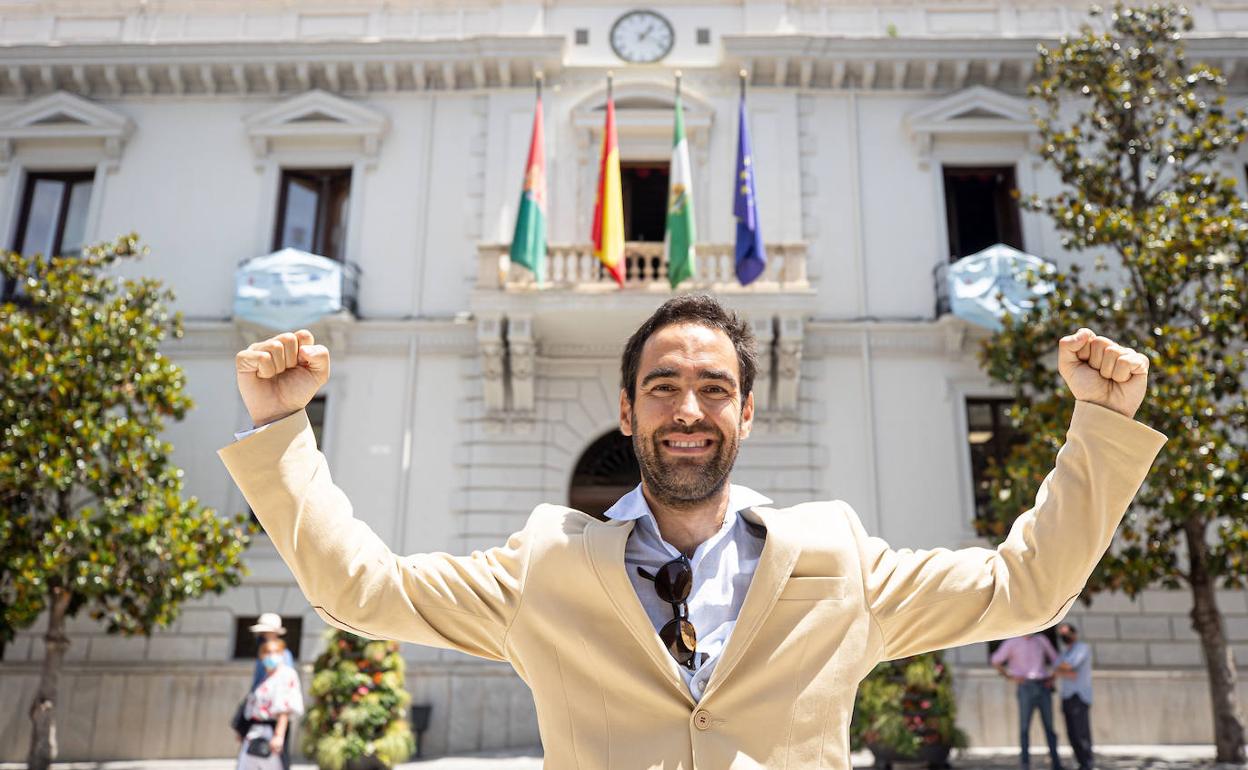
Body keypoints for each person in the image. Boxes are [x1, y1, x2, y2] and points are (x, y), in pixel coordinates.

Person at [220, 295, 1167, 769]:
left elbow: (1025, 589)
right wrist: (280, 434)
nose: (688, 408)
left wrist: (1103, 429)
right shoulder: (545, 567)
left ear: (746, 415)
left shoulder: (836, 556)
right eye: (663, 387)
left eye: (715, 389)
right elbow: (361, 591)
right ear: (627, 413)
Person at [992, 631, 1064, 770]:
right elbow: (996, 660)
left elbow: (1056, 660)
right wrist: (1009, 677)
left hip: (1043, 686)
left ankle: (1056, 763)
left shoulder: (1041, 640)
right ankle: (1025, 764)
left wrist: (1052, 678)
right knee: (1024, 728)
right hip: (1025, 687)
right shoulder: (1012, 641)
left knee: (1049, 727)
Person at [236, 638, 303, 770]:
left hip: (271, 731)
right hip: (254, 731)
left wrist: (278, 736)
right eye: (267, 652)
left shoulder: (286, 674)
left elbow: (284, 708)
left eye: (276, 651)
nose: (271, 655)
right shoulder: (264, 677)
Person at [246, 613, 295, 769]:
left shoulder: (284, 657)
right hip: (258, 718)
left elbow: (284, 696)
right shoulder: (262, 654)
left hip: (275, 719)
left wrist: (279, 734)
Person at [1054, 623, 1095, 770]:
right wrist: (1063, 670)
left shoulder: (1082, 648)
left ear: (1074, 633)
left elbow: (1067, 667)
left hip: (1080, 697)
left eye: (1066, 633)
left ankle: (1087, 763)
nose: (1064, 636)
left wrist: (1062, 670)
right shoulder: (1064, 652)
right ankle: (1080, 763)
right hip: (1066, 696)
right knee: (1071, 734)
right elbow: (1060, 668)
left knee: (1081, 733)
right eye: (1061, 634)